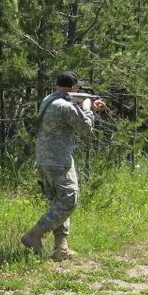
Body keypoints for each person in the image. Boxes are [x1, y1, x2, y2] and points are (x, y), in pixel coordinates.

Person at [21, 70, 104, 261]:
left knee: (59, 202)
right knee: (69, 200)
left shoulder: (49, 100)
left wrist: (85, 106)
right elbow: (87, 129)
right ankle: (34, 233)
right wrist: (88, 108)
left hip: (44, 159)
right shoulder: (65, 106)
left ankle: (61, 248)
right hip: (59, 161)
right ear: (73, 87)